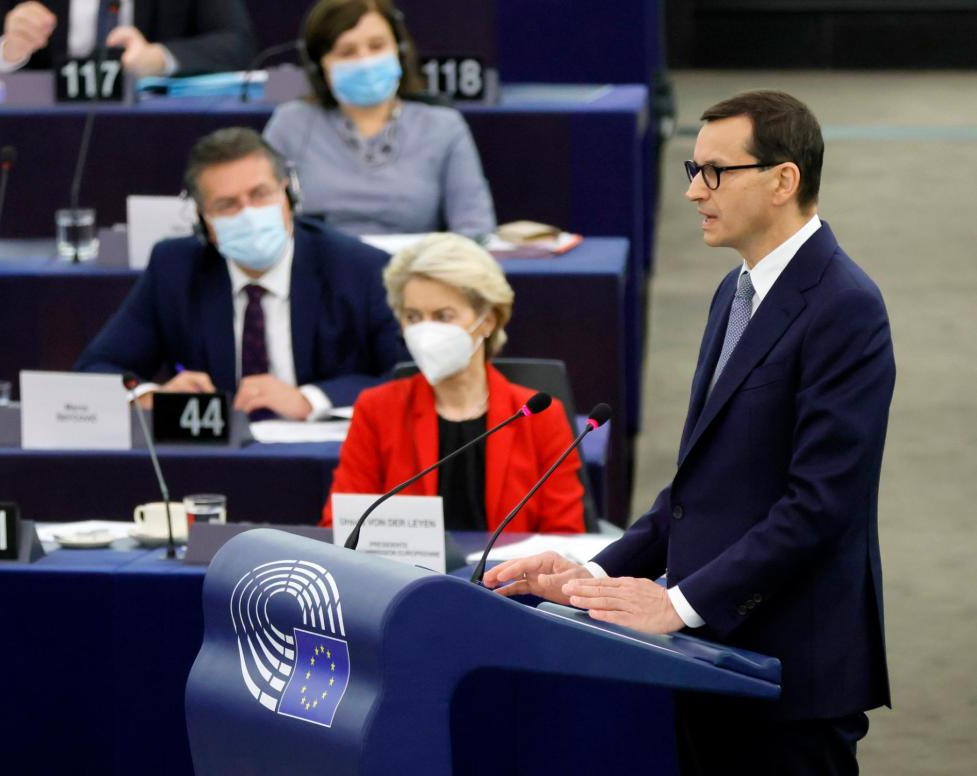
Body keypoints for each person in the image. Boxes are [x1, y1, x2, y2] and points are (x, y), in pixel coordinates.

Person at [485, 91, 894, 775]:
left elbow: (820, 505)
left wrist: (675, 604)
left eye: (713, 172)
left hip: (787, 676)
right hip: (708, 661)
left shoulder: (844, 306)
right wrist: (590, 576)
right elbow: (701, 489)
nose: (692, 191)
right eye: (690, 168)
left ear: (781, 180)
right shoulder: (732, 293)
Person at [75, 127, 405, 420]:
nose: (248, 214)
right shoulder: (174, 267)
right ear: (203, 220)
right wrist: (151, 396)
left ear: (288, 196)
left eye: (260, 195)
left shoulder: (360, 268)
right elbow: (96, 370)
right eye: (227, 205)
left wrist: (311, 399)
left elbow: (406, 376)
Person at [321, 233, 584, 532]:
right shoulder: (377, 410)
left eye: (443, 316)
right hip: (409, 577)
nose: (425, 331)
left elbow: (566, 537)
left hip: (509, 578)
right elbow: (339, 527)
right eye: (413, 316)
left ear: (487, 319)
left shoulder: (539, 418)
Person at [262, 0, 495, 239]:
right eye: (347, 52)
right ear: (319, 64)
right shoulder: (290, 124)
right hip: (320, 270)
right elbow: (265, 219)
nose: (365, 61)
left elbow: (475, 228)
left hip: (415, 271)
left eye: (377, 46)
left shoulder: (443, 127)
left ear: (399, 50)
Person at [0, 0, 256, 77]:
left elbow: (237, 43)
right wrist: (9, 49)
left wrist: (157, 58)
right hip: (46, 134)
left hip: (154, 133)